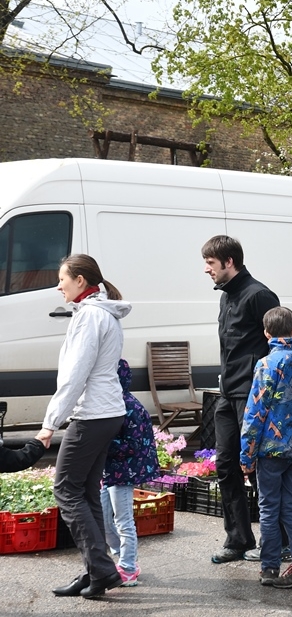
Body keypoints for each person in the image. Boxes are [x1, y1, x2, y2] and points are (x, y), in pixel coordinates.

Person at [39, 254, 131, 599]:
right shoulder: (97, 312)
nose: (58, 285)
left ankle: (103, 570)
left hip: (92, 414)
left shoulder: (91, 316)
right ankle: (96, 571)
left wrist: (50, 424)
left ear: (80, 280)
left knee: (65, 490)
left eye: (62, 278)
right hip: (105, 412)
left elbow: (75, 374)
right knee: (86, 493)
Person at [202, 235, 281, 564]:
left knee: (259, 468)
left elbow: (279, 344)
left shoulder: (259, 295)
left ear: (228, 262)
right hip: (227, 394)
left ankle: (278, 541)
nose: (206, 270)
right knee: (225, 465)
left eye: (210, 263)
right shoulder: (226, 297)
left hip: (253, 396)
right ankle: (238, 539)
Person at [240, 306, 292, 588]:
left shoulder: (266, 364)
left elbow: (255, 413)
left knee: (268, 507)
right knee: (290, 504)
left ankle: (269, 568)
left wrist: (247, 454)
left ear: (266, 333)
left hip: (271, 449)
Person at [100, 359, 160, 587]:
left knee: (124, 520)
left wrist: (103, 444)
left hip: (123, 473)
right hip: (110, 472)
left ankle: (128, 567)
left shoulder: (129, 407)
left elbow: (133, 445)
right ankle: (122, 557)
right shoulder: (112, 402)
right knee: (105, 519)